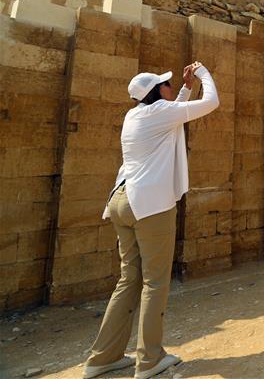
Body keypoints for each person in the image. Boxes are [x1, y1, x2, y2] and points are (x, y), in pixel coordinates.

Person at [82, 61, 219, 379]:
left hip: (121, 200)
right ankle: (149, 360)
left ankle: (102, 358)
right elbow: (211, 103)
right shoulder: (159, 114)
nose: (170, 87)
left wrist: (186, 87)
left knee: (128, 280)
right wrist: (203, 75)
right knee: (154, 282)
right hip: (149, 207)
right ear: (158, 92)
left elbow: (172, 112)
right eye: (166, 85)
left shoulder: (136, 115)